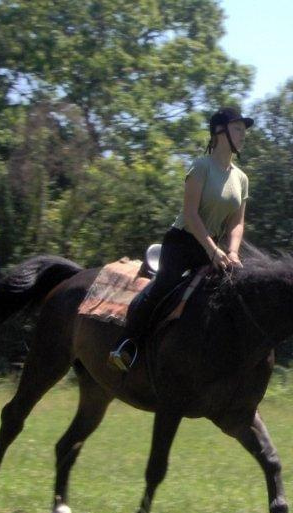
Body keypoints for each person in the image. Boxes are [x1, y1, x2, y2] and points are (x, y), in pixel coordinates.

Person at [109, 106, 254, 371]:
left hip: (214, 249)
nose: (243, 135)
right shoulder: (201, 167)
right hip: (183, 243)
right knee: (163, 287)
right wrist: (212, 249)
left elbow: (237, 222)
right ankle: (126, 345)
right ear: (220, 132)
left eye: (244, 130)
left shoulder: (241, 178)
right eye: (238, 129)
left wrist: (232, 252)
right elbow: (189, 214)